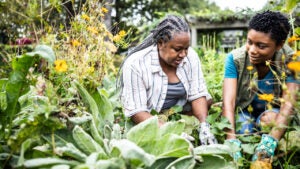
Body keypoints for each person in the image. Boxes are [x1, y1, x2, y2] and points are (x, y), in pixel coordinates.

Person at [118, 14, 217, 145]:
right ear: (160, 44)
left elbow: (197, 93)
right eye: (177, 49)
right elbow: (137, 111)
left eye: (186, 48)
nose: (183, 54)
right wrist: (170, 131)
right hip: (150, 117)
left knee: (207, 100)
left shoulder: (191, 57)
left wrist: (204, 126)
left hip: (179, 113)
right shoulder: (136, 64)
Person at [222, 10, 299, 161]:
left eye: (261, 46)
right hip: (244, 112)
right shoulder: (235, 59)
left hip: (273, 113)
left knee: (269, 121)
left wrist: (269, 145)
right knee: (244, 132)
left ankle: (267, 144)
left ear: (279, 45)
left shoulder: (292, 61)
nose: (252, 50)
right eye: (249, 42)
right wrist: (231, 140)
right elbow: (228, 103)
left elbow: (288, 105)